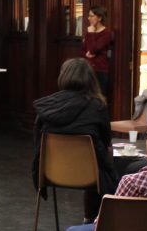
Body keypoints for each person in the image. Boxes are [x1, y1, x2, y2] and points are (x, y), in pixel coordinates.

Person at [32, 58, 117, 221]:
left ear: (63, 76)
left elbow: (37, 144)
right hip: (90, 175)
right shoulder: (97, 107)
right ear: (90, 79)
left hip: (51, 173)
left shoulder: (47, 107)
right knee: (107, 160)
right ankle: (92, 219)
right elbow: (106, 141)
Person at [81, 6, 116, 97]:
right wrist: (87, 53)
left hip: (100, 70)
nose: (89, 18)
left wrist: (91, 34)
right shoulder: (90, 30)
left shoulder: (106, 33)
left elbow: (93, 49)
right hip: (88, 69)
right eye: (89, 16)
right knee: (86, 97)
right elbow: (84, 49)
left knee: (99, 98)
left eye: (91, 16)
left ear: (99, 18)